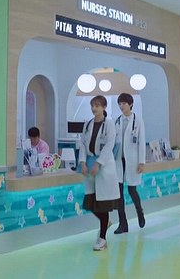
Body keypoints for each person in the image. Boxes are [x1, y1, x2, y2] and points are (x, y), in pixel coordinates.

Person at [78, 95, 120, 251]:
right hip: (89, 165)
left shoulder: (109, 124)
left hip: (104, 167)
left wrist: (98, 163)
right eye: (92, 105)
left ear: (104, 107)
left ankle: (102, 239)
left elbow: (109, 145)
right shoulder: (88, 124)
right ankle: (106, 223)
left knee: (103, 205)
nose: (94, 108)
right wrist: (82, 162)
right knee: (89, 203)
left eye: (97, 105)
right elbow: (82, 144)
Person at [113, 93, 146, 234]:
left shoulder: (138, 120)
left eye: (124, 103)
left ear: (130, 104)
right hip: (118, 161)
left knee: (132, 190)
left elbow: (141, 142)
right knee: (119, 193)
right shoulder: (117, 121)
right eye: (119, 104)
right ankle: (123, 224)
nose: (121, 106)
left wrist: (141, 162)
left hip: (132, 161)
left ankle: (140, 212)